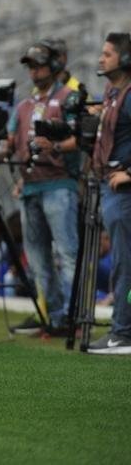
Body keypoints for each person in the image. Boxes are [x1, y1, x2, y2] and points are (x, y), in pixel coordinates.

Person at [0, 42, 79, 335]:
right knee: (37, 257)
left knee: (67, 252)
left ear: (54, 66)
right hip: (30, 186)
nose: (33, 71)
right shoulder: (23, 105)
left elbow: (82, 137)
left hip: (59, 182)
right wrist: (1, 150)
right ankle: (54, 318)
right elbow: (9, 140)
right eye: (30, 66)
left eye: (38, 65)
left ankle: (72, 318)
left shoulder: (70, 98)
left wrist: (55, 145)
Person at [91, 33, 131, 354]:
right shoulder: (112, 93)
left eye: (108, 54)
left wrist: (129, 173)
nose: (101, 58)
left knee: (125, 262)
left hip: (124, 189)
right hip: (112, 184)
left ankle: (123, 333)